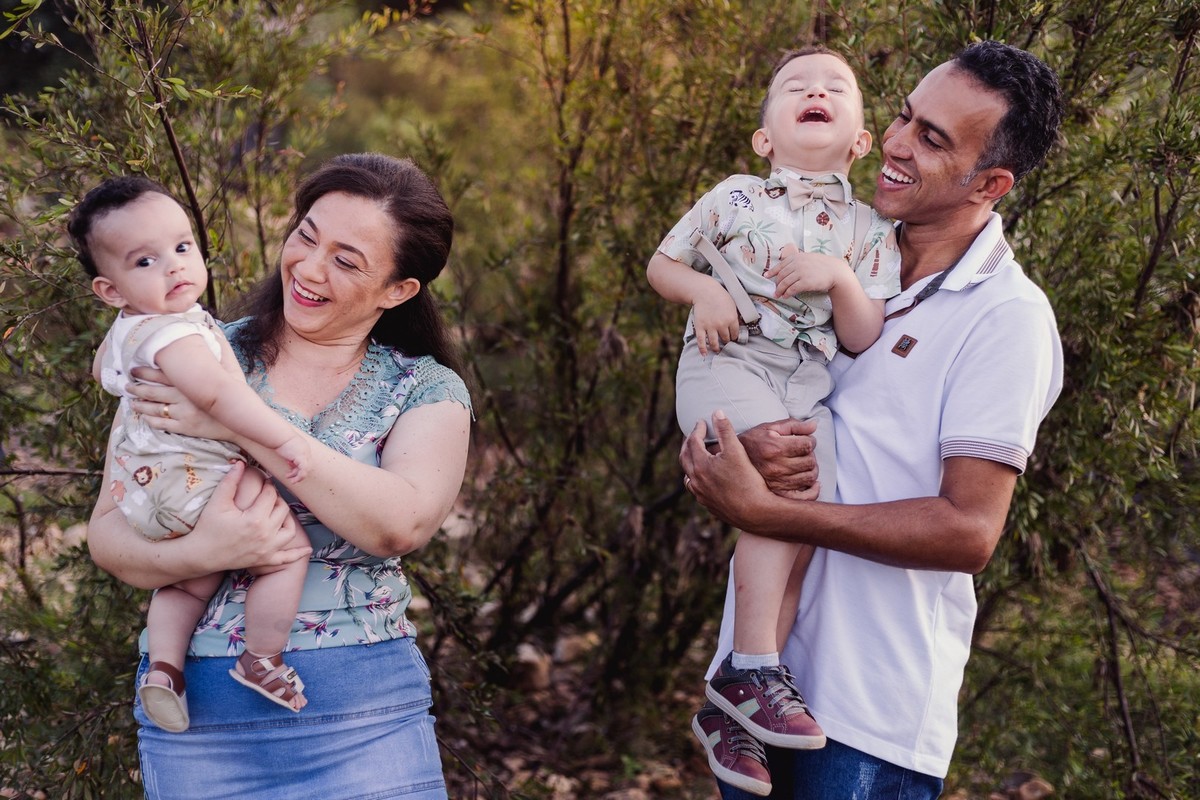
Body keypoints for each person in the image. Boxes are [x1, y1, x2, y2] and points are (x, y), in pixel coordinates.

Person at [680, 40, 1065, 800]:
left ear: (990, 183)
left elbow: (969, 532)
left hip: (867, 720)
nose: (894, 144)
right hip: (753, 693)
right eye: (903, 115)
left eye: (932, 139)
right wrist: (741, 442)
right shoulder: (828, 246)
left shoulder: (1006, 318)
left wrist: (771, 510)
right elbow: (729, 374)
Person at [87, 153, 472, 799]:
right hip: (197, 721)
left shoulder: (425, 389)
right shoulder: (190, 349)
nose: (309, 268)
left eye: (347, 260)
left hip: (366, 715)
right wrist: (205, 551)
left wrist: (234, 424)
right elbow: (108, 534)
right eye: (305, 235)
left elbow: (398, 523)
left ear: (398, 290)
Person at [646, 46, 901, 794]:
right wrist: (703, 293)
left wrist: (840, 277)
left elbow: (860, 335)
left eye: (834, 89)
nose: (814, 91)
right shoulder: (733, 198)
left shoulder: (868, 229)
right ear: (764, 138)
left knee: (796, 539)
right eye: (796, 87)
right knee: (779, 496)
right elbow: (662, 265)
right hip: (726, 363)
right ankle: (751, 667)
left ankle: (732, 709)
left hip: (802, 384)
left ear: (860, 141)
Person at [70, 176, 314, 732]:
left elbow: (102, 372)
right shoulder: (175, 336)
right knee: (286, 549)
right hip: (197, 477)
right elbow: (219, 396)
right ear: (110, 289)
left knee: (187, 581)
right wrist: (282, 439)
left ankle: (163, 671)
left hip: (148, 490)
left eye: (182, 248)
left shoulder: (130, 326)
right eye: (145, 262)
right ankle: (262, 658)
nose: (175, 267)